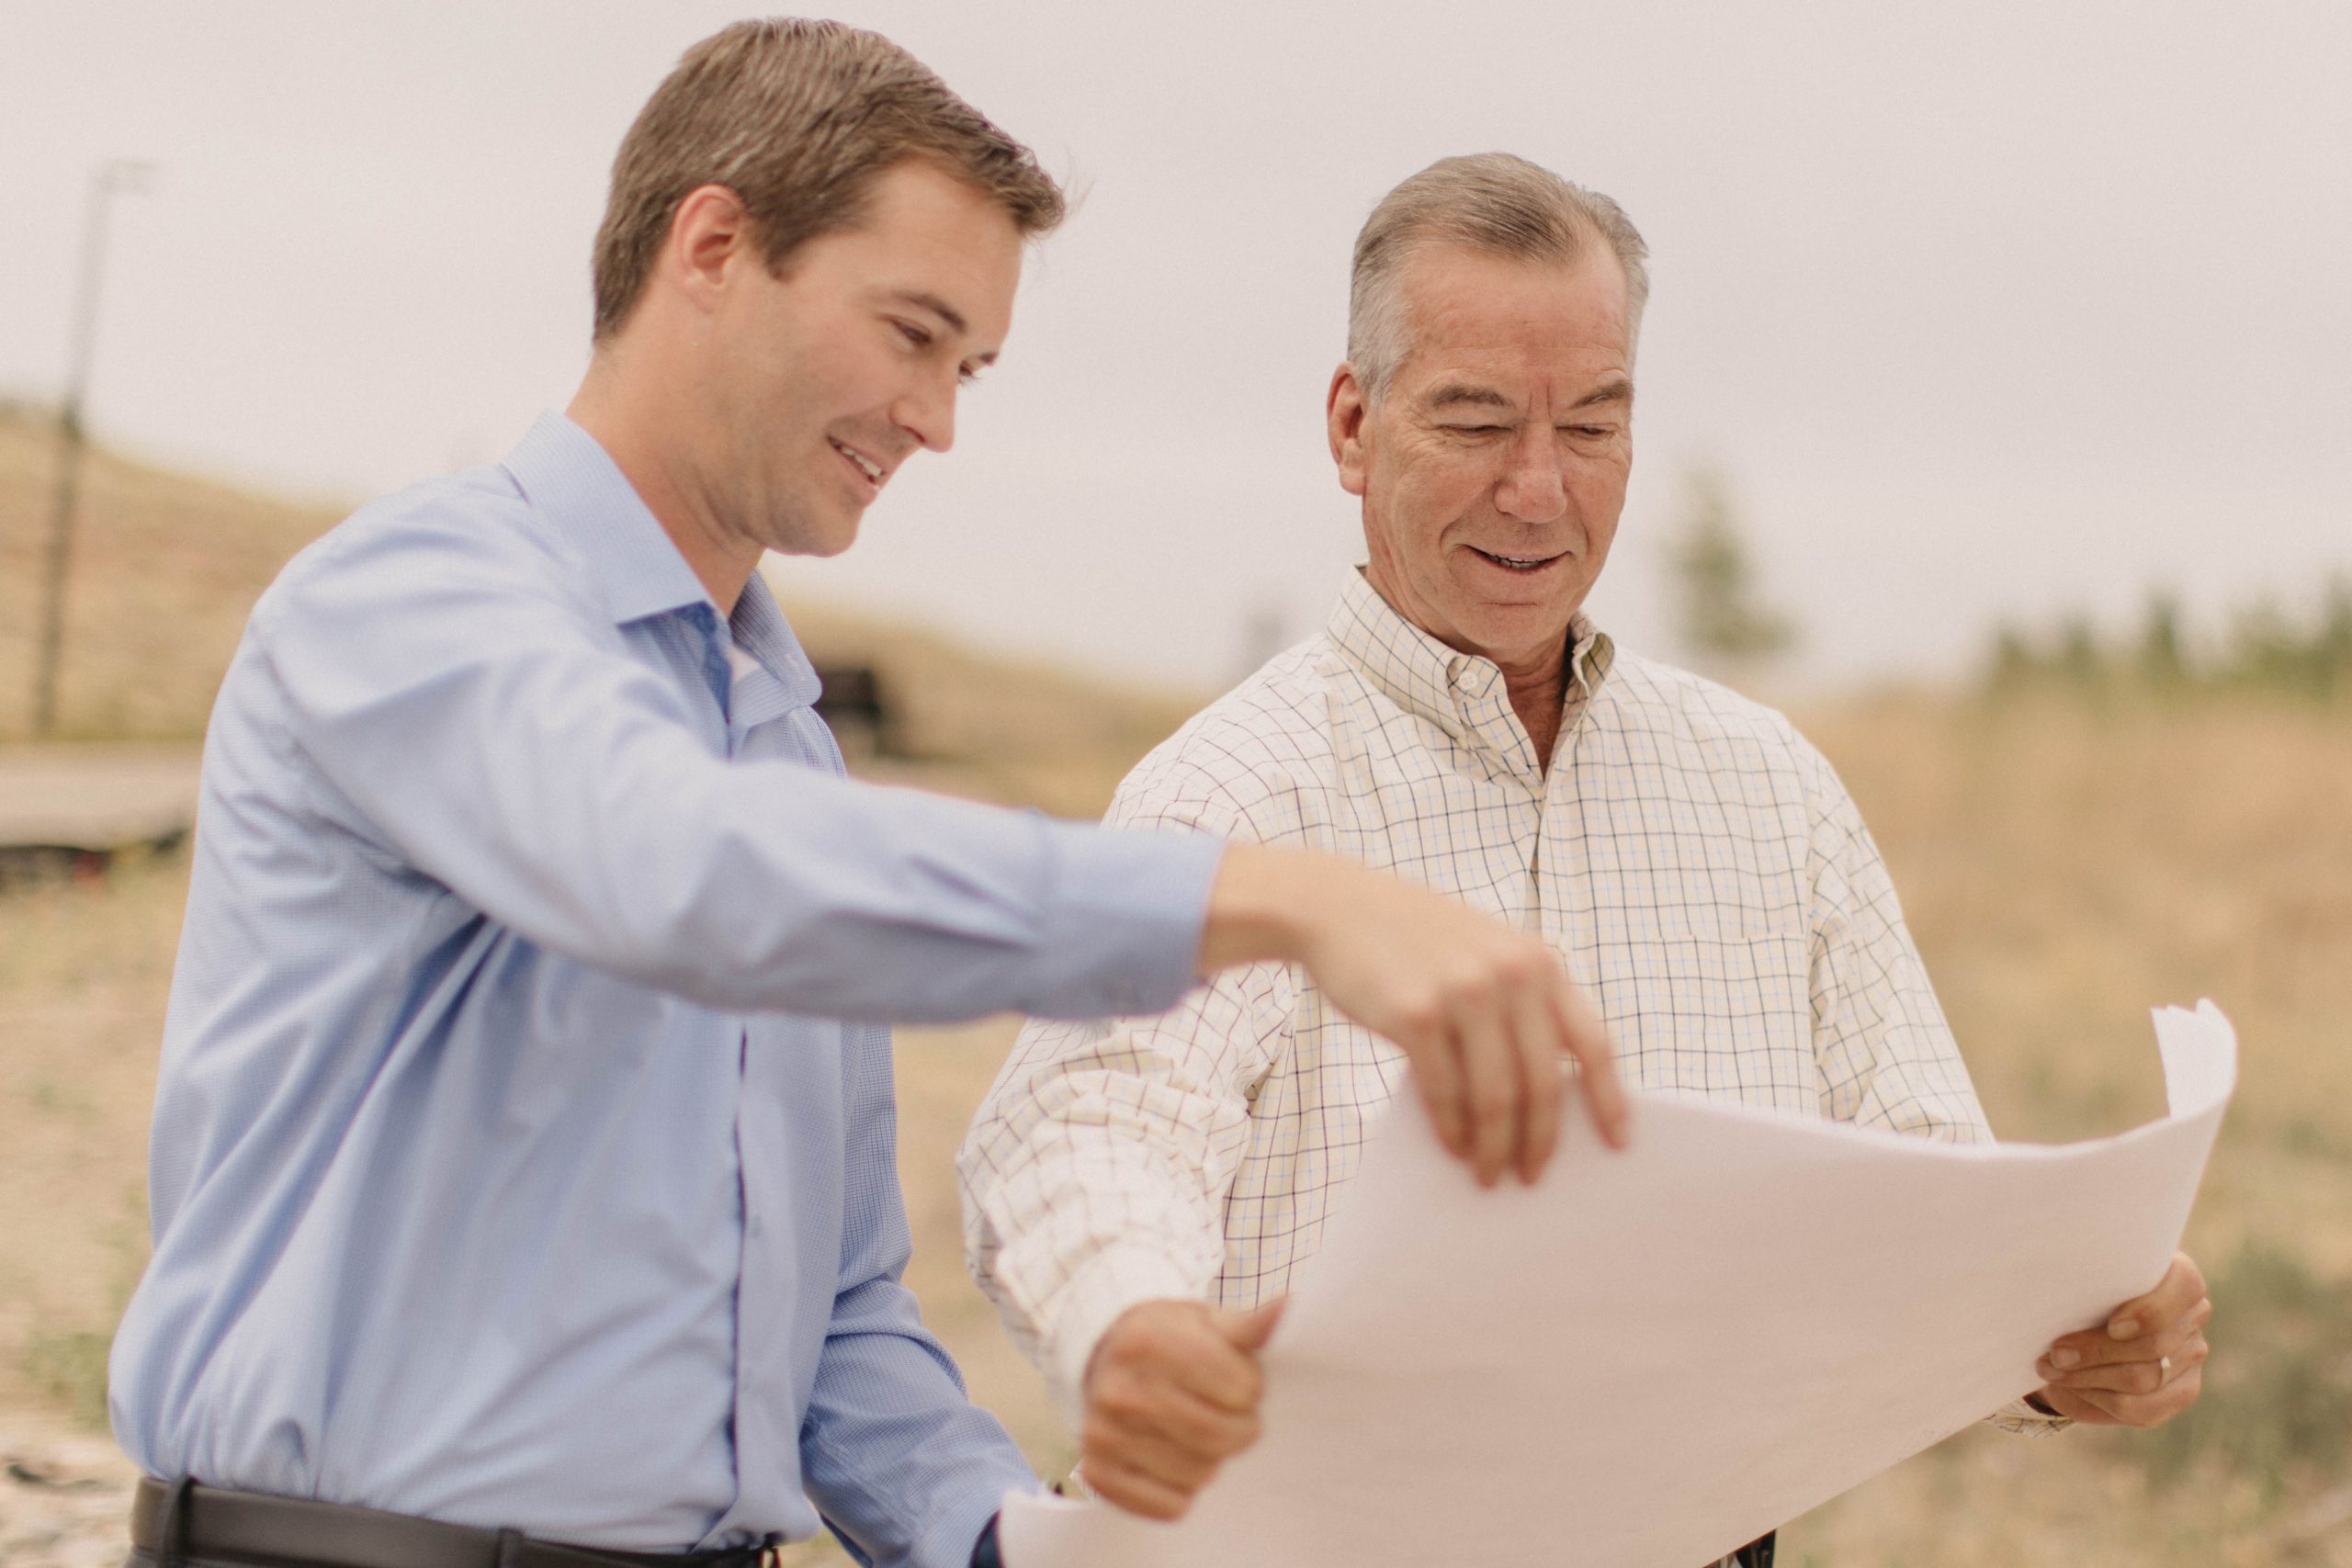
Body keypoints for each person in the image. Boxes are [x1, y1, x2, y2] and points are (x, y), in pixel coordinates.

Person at [106, 39, 1632, 1568]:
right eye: (912, 335)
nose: (937, 421)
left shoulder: (785, 752)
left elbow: (830, 1319)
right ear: (712, 247)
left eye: (965, 368)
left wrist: (1003, 1541)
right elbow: (679, 873)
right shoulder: (408, 603)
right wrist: (1287, 899)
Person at [957, 153, 2214, 1562]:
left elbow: (1927, 1188)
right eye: (1479, 420)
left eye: (1595, 426)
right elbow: (1090, 1129)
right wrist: (1134, 1321)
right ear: (1353, 425)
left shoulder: (1771, 789)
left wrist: (2070, 1335)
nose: (1541, 492)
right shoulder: (1223, 793)